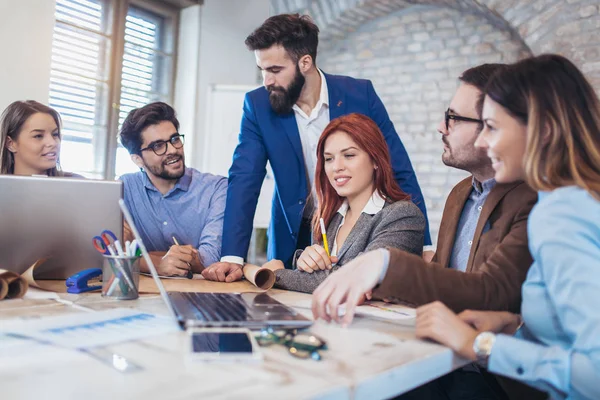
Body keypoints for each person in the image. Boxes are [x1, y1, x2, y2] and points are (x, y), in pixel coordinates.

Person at [311, 63, 543, 400]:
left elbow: (493, 291)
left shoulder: (534, 199)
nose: (440, 127)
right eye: (329, 159)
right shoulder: (460, 194)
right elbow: (447, 277)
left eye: (453, 118)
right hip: (440, 353)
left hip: (493, 372)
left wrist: (384, 266)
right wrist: (388, 288)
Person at [413, 54, 600, 400]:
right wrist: (512, 327)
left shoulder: (562, 212)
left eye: (493, 127)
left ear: (542, 132)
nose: (483, 142)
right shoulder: (574, 199)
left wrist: (482, 345)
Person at [202, 13, 430, 283]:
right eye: (262, 70)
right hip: (293, 227)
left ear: (305, 62)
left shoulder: (360, 94)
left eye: (275, 70)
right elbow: (245, 180)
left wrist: (424, 245)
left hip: (352, 225)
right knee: (284, 297)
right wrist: (232, 257)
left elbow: (397, 167)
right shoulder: (258, 104)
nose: (266, 81)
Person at [273, 113, 424, 293]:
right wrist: (305, 260)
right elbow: (316, 278)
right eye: (329, 159)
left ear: (375, 160)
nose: (336, 167)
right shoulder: (329, 218)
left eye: (349, 155)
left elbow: (356, 279)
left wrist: (276, 274)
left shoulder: (403, 216)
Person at [120, 102, 227, 277]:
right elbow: (115, 253)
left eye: (175, 139)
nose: (172, 150)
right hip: (143, 295)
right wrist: (157, 263)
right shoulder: (125, 188)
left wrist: (141, 258)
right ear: (138, 159)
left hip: (197, 295)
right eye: (158, 146)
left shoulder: (216, 189)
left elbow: (210, 259)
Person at [0, 100, 69, 176]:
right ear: (10, 144)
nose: (53, 143)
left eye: (55, 134)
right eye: (38, 136)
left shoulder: (77, 185)